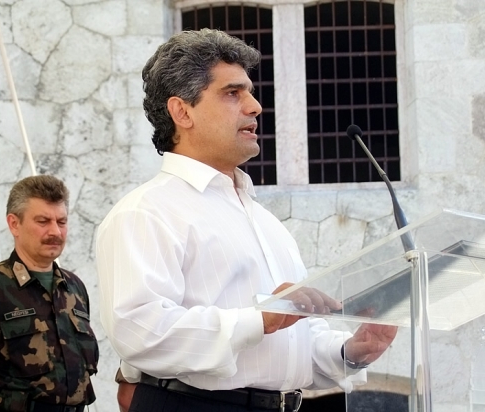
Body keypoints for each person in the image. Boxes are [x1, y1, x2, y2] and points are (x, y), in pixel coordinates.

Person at [96, 28, 397, 412]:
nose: (255, 106)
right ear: (182, 112)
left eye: (250, 92)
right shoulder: (146, 212)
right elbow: (141, 332)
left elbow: (292, 345)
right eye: (232, 93)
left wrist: (350, 351)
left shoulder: (265, 222)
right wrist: (259, 320)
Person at [0, 175, 99, 412]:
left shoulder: (74, 288)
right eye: (43, 221)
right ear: (14, 224)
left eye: (61, 222)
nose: (55, 231)